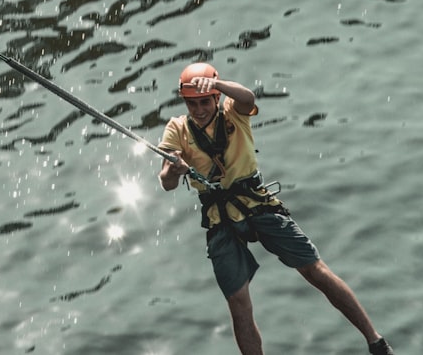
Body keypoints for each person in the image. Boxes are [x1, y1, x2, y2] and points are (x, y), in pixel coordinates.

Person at [158, 62, 394, 355]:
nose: (199, 109)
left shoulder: (233, 110)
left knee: (314, 269)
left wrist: (217, 85)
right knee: (238, 302)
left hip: (256, 202)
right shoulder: (177, 128)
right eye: (192, 104)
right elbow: (166, 181)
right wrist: (175, 170)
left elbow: (248, 98)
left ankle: (376, 341)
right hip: (219, 215)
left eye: (204, 101)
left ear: (216, 98)